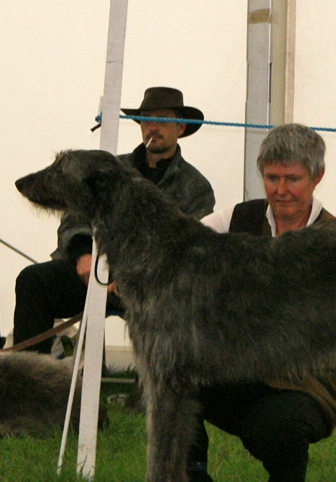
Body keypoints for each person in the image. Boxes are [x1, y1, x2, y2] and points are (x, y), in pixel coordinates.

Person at [178, 123, 336, 482]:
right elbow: (183, 245)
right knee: (173, 381)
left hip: (304, 384)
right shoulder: (236, 218)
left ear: (316, 177)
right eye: (272, 178)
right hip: (234, 369)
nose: (281, 189)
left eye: (293, 179)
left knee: (274, 427)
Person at [13, 87, 214, 353]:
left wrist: (132, 272)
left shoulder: (196, 186)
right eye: (146, 119)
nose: (152, 127)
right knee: (34, 281)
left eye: (162, 119)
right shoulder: (108, 168)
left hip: (156, 288)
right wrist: (84, 252)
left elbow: (187, 246)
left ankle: (154, 389)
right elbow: (74, 216)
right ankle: (29, 383)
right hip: (95, 272)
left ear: (180, 128)